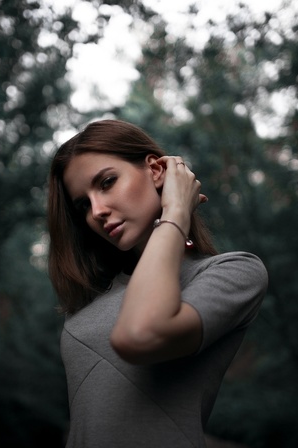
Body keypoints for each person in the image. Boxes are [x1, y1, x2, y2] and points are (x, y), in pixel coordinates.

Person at [47, 119, 268, 447]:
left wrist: (176, 212)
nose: (97, 211)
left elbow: (140, 334)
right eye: (83, 204)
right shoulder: (89, 299)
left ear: (156, 170)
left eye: (107, 182)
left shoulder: (233, 273)